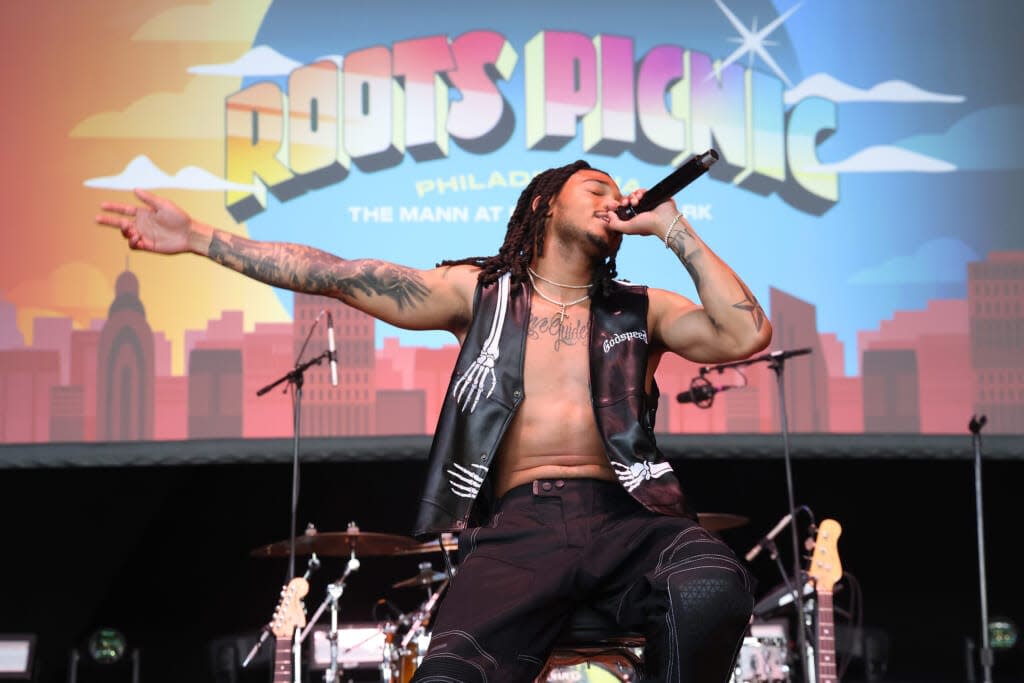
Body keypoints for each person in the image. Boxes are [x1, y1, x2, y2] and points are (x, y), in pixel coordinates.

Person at [96, 158, 771, 682]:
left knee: (713, 580)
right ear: (543, 203)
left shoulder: (641, 306)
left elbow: (745, 336)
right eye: (593, 187)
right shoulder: (477, 293)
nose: (612, 197)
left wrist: (674, 229)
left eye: (615, 191)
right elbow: (336, 273)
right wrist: (196, 238)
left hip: (628, 518)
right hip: (521, 527)